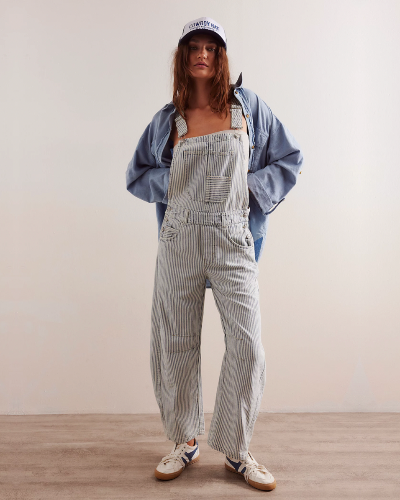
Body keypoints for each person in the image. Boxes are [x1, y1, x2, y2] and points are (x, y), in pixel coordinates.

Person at [125, 16, 303, 492]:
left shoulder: (249, 109)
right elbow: (137, 173)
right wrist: (176, 186)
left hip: (232, 237)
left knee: (248, 344)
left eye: (211, 47)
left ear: (222, 56)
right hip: (179, 239)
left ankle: (238, 450)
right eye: (193, 47)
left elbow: (289, 159)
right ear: (183, 57)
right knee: (176, 343)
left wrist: (249, 191)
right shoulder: (168, 120)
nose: (202, 53)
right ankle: (184, 441)